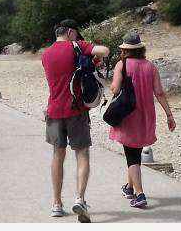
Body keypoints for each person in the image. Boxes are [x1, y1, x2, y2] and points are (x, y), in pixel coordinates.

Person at [41, 19, 109, 222]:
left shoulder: (46, 54)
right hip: (76, 110)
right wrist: (87, 49)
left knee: (57, 155)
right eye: (76, 34)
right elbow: (104, 50)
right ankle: (80, 198)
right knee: (82, 154)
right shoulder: (77, 46)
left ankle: (56, 203)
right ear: (70, 32)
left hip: (54, 110)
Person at [108, 32, 176, 209]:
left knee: (131, 156)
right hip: (146, 115)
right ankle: (129, 187)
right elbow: (159, 93)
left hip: (128, 115)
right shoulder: (150, 66)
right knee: (135, 152)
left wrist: (114, 86)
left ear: (125, 50)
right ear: (141, 49)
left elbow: (114, 89)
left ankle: (140, 194)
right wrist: (169, 115)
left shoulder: (121, 65)